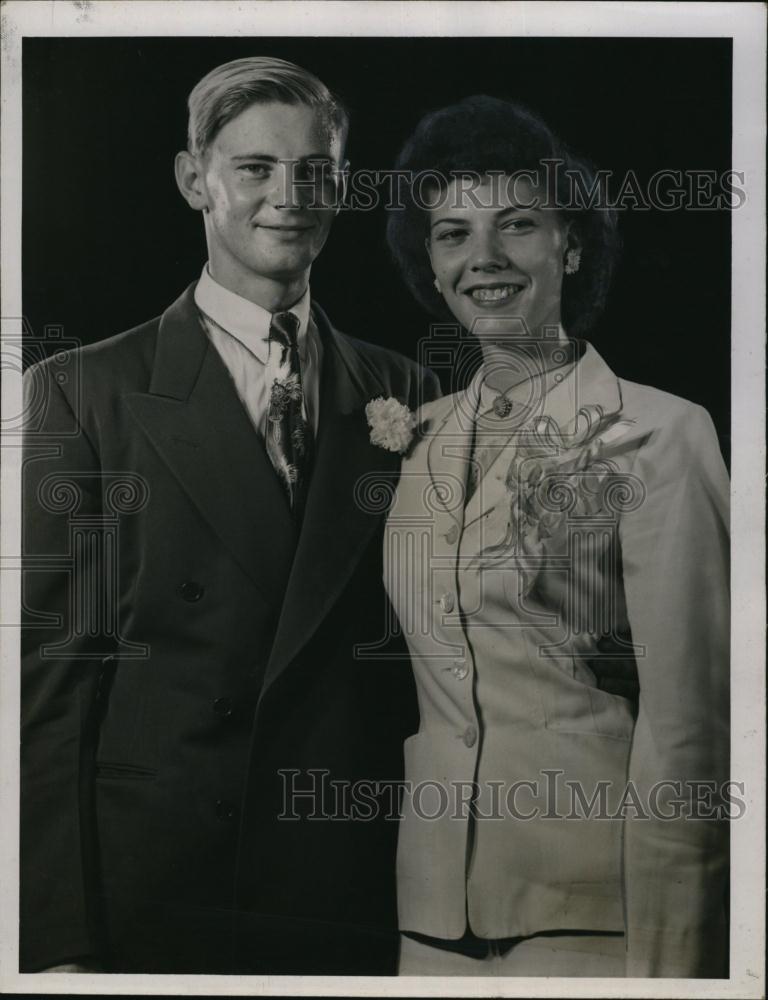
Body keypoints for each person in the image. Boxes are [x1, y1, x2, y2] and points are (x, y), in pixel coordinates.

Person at [20, 56, 439, 975]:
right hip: (160, 876)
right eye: (254, 168)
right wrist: (48, 937)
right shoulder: (83, 390)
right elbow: (48, 686)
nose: (290, 197)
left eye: (316, 172)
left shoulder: (406, 388)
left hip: (343, 874)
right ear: (193, 180)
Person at [384, 96, 729, 977]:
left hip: (593, 922)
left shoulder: (661, 433)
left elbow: (692, 729)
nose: (484, 259)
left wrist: (674, 968)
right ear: (430, 263)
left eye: (519, 226)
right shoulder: (418, 440)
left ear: (571, 245)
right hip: (429, 921)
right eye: (453, 234)